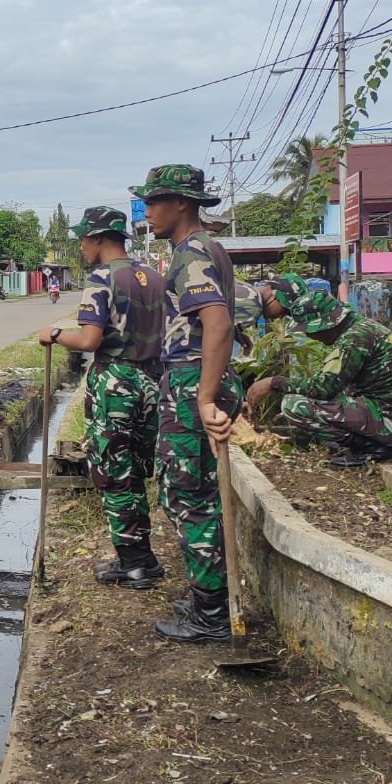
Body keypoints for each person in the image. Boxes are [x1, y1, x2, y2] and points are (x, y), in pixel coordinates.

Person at [132, 164, 242, 644]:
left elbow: (217, 324)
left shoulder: (191, 252)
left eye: (154, 203)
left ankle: (211, 616)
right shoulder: (208, 249)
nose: (148, 213)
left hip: (193, 377)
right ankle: (207, 596)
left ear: (181, 204)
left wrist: (201, 396)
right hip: (200, 375)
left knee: (188, 498)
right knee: (197, 493)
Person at [39, 206, 166, 588]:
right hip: (154, 380)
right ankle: (141, 556)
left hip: (116, 383)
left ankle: (134, 563)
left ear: (98, 239)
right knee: (138, 471)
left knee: (113, 473)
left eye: (83, 239)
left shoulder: (102, 279)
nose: (80, 246)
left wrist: (55, 336)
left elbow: (90, 340)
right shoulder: (155, 277)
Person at [246, 274, 392, 468]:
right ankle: (364, 444)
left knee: (294, 406)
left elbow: (322, 388)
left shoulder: (354, 340)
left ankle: (373, 449)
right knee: (336, 396)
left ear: (328, 324)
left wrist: (274, 382)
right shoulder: (362, 329)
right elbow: (333, 386)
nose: (311, 336)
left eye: (311, 330)